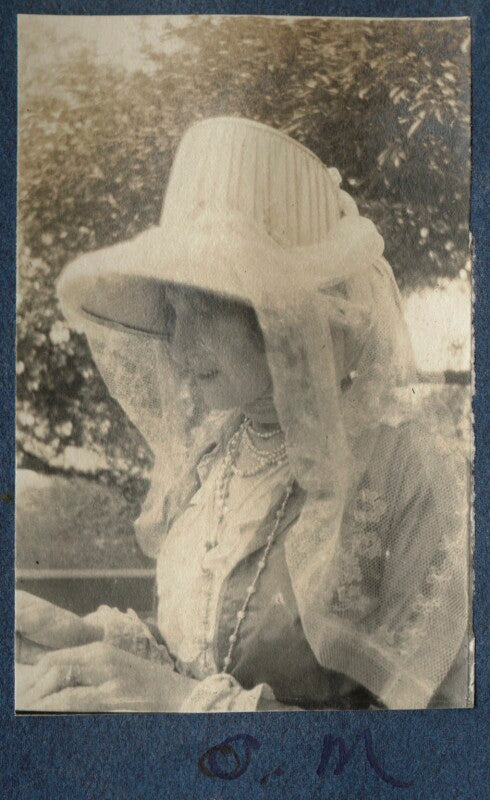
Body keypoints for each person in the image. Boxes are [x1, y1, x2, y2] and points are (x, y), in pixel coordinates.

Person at [15, 116, 470, 712]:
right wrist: (94, 641)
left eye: (206, 309)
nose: (177, 349)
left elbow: (429, 754)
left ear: (286, 314)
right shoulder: (214, 455)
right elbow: (207, 662)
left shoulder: (403, 473)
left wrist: (187, 707)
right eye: (173, 314)